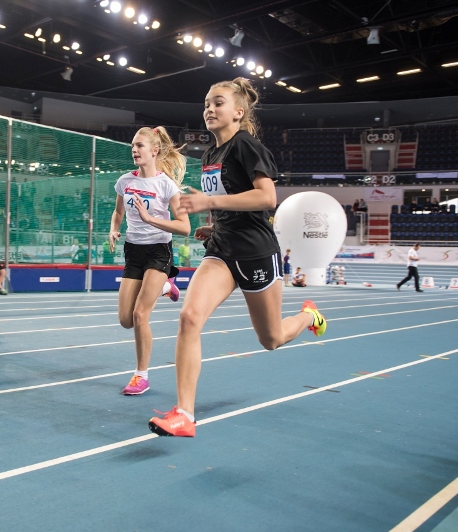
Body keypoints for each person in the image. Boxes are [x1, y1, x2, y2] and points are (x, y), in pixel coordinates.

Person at [148, 77, 327, 437]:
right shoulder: (210, 155)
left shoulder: (247, 146)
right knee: (189, 317)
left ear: (238, 112)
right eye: (206, 103)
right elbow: (232, 204)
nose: (209, 109)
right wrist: (213, 227)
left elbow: (266, 198)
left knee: (271, 339)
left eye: (218, 103)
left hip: (257, 253)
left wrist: (209, 202)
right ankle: (184, 414)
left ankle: (308, 315)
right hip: (222, 251)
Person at [109, 125, 190, 396]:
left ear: (154, 151)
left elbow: (184, 227)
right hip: (133, 250)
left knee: (140, 315)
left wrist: (151, 219)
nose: (134, 149)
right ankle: (167, 287)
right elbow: (118, 212)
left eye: (140, 145)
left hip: (158, 250)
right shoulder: (124, 182)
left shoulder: (166, 185)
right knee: (125, 320)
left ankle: (141, 375)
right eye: (132, 145)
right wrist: (113, 229)